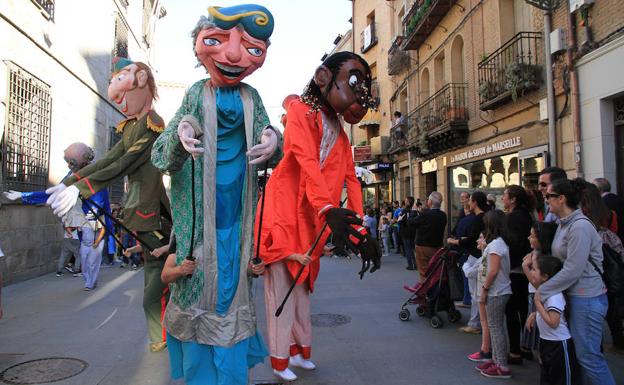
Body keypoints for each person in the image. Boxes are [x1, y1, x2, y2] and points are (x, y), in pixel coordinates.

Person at [151, 5, 282, 384]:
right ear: (200, 46)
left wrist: (272, 138)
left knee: (230, 297)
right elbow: (164, 153)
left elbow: (271, 136)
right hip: (200, 223)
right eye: (217, 41)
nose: (233, 55)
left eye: (251, 48)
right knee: (203, 296)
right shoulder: (195, 93)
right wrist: (183, 133)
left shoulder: (251, 97)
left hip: (238, 222)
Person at [255, 51, 381, 382]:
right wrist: (327, 208)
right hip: (284, 213)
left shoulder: (338, 130)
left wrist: (359, 230)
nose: (361, 93)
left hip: (310, 220)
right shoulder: (299, 111)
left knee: (302, 289)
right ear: (324, 77)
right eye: (355, 82)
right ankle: (280, 359)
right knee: (281, 290)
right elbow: (305, 160)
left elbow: (350, 178)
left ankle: (299, 351)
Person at [530, 179, 615, 384]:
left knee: (589, 357)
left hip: (586, 297)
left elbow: (572, 269)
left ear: (562, 198)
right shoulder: (564, 224)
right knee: (582, 356)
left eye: (549, 195)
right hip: (576, 296)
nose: (545, 199)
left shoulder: (579, 227)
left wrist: (542, 292)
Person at [577, 179, 624, 352]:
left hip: (593, 258)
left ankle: (598, 343)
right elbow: (615, 231)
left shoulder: (583, 215)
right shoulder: (610, 213)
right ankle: (618, 337)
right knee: (611, 301)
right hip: (610, 258)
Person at [525, 255, 580, 385]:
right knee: (546, 376)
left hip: (559, 345)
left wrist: (537, 304)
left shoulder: (554, 295)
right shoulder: (546, 292)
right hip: (547, 342)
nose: (531, 272)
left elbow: (553, 322)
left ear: (544, 276)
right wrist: (535, 313)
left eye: (533, 269)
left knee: (560, 379)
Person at [474, 210, 513, 379]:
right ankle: (497, 360)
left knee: (496, 327)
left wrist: (485, 289)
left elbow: (493, 270)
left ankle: (502, 365)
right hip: (498, 290)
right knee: (494, 326)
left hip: (497, 291)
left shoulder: (496, 244)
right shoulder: (498, 243)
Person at [501, 185, 533, 364]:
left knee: (512, 311)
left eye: (505, 196)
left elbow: (512, 243)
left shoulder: (513, 218)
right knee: (523, 309)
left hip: (514, 269)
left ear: (513, 199)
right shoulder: (526, 215)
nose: (503, 198)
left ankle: (515, 351)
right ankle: (526, 346)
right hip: (525, 269)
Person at [449, 191, 488, 335]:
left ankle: (475, 323)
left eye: (470, 200)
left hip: (477, 256)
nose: (468, 203)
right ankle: (477, 322)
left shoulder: (478, 219)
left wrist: (456, 241)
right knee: (477, 292)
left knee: (476, 292)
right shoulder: (484, 217)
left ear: (475, 202)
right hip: (478, 255)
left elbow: (472, 239)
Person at [520, 221, 558, 359]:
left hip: (538, 296)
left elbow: (538, 284)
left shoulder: (541, 258)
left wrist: (525, 267)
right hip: (536, 296)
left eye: (532, 236)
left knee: (538, 335)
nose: (529, 238)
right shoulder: (539, 254)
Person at [409, 191, 447, 283]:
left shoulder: (426, 215)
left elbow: (411, 222)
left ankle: (427, 291)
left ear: (430, 202)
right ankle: (434, 288)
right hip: (437, 246)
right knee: (434, 269)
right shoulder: (443, 215)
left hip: (423, 246)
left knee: (424, 271)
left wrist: (414, 211)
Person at [398, 197, 418, 270]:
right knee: (413, 249)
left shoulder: (404, 211)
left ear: (408, 203)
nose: (404, 201)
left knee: (408, 249)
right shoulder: (414, 211)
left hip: (406, 232)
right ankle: (415, 264)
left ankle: (410, 265)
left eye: (406, 201)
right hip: (413, 232)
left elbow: (400, 221)